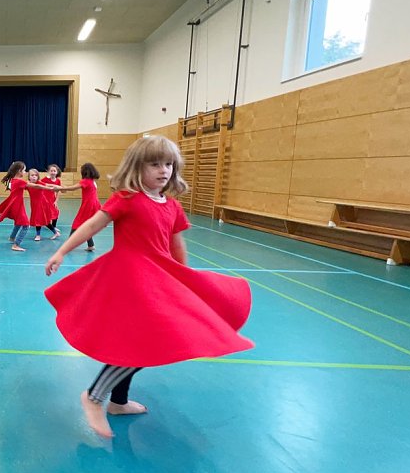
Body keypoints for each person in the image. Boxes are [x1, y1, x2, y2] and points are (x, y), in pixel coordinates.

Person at [44, 136, 253, 438]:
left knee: (141, 342)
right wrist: (62, 251)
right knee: (141, 343)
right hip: (130, 278)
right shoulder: (126, 199)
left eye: (168, 164)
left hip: (157, 279)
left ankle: (117, 402)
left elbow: (176, 245)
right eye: (154, 164)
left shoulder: (172, 207)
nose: (163, 170)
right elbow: (92, 225)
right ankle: (93, 397)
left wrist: (185, 279)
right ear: (136, 167)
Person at [0, 161, 57, 251]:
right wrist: (49, 188)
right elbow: (36, 186)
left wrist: (49, 186)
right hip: (17, 205)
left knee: (19, 223)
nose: (25, 172)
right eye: (24, 170)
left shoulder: (14, 180)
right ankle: (16, 245)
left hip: (16, 204)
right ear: (19, 171)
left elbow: (37, 185)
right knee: (26, 225)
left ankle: (12, 237)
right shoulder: (19, 181)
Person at [54, 163, 101, 251]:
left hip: (88, 205)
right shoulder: (92, 181)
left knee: (77, 223)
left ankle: (68, 245)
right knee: (86, 224)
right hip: (95, 204)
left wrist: (61, 188)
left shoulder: (86, 181)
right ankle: (91, 245)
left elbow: (73, 188)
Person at [27, 169, 58, 241]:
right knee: (44, 221)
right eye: (32, 175)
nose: (34, 177)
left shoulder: (39, 183)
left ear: (38, 177)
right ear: (29, 177)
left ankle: (38, 235)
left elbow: (48, 185)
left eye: (36, 175)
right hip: (34, 205)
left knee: (39, 219)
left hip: (42, 204)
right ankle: (56, 232)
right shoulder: (28, 184)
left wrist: (57, 186)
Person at [40, 164, 63, 239]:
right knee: (45, 212)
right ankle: (45, 224)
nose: (53, 172)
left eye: (54, 171)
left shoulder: (58, 180)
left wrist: (56, 201)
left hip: (52, 199)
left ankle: (53, 226)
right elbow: (40, 186)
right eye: (51, 171)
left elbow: (59, 191)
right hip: (45, 199)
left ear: (57, 172)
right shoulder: (44, 179)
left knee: (56, 212)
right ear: (48, 171)